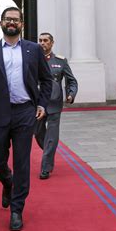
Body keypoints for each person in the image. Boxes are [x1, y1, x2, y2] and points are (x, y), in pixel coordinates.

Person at [0, 7, 53, 231]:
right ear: (1, 23)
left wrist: (42, 104)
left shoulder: (33, 50)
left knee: (22, 162)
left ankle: (17, 209)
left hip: (24, 113)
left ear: (21, 24)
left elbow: (46, 80)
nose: (11, 23)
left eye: (15, 20)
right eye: (7, 19)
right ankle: (8, 183)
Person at [34, 32, 78, 180]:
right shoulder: (32, 60)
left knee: (51, 136)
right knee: (39, 134)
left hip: (54, 103)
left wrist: (70, 94)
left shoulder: (60, 61)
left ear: (52, 43)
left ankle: (45, 167)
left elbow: (72, 81)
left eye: (45, 40)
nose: (42, 43)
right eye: (40, 40)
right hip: (37, 104)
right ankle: (49, 151)